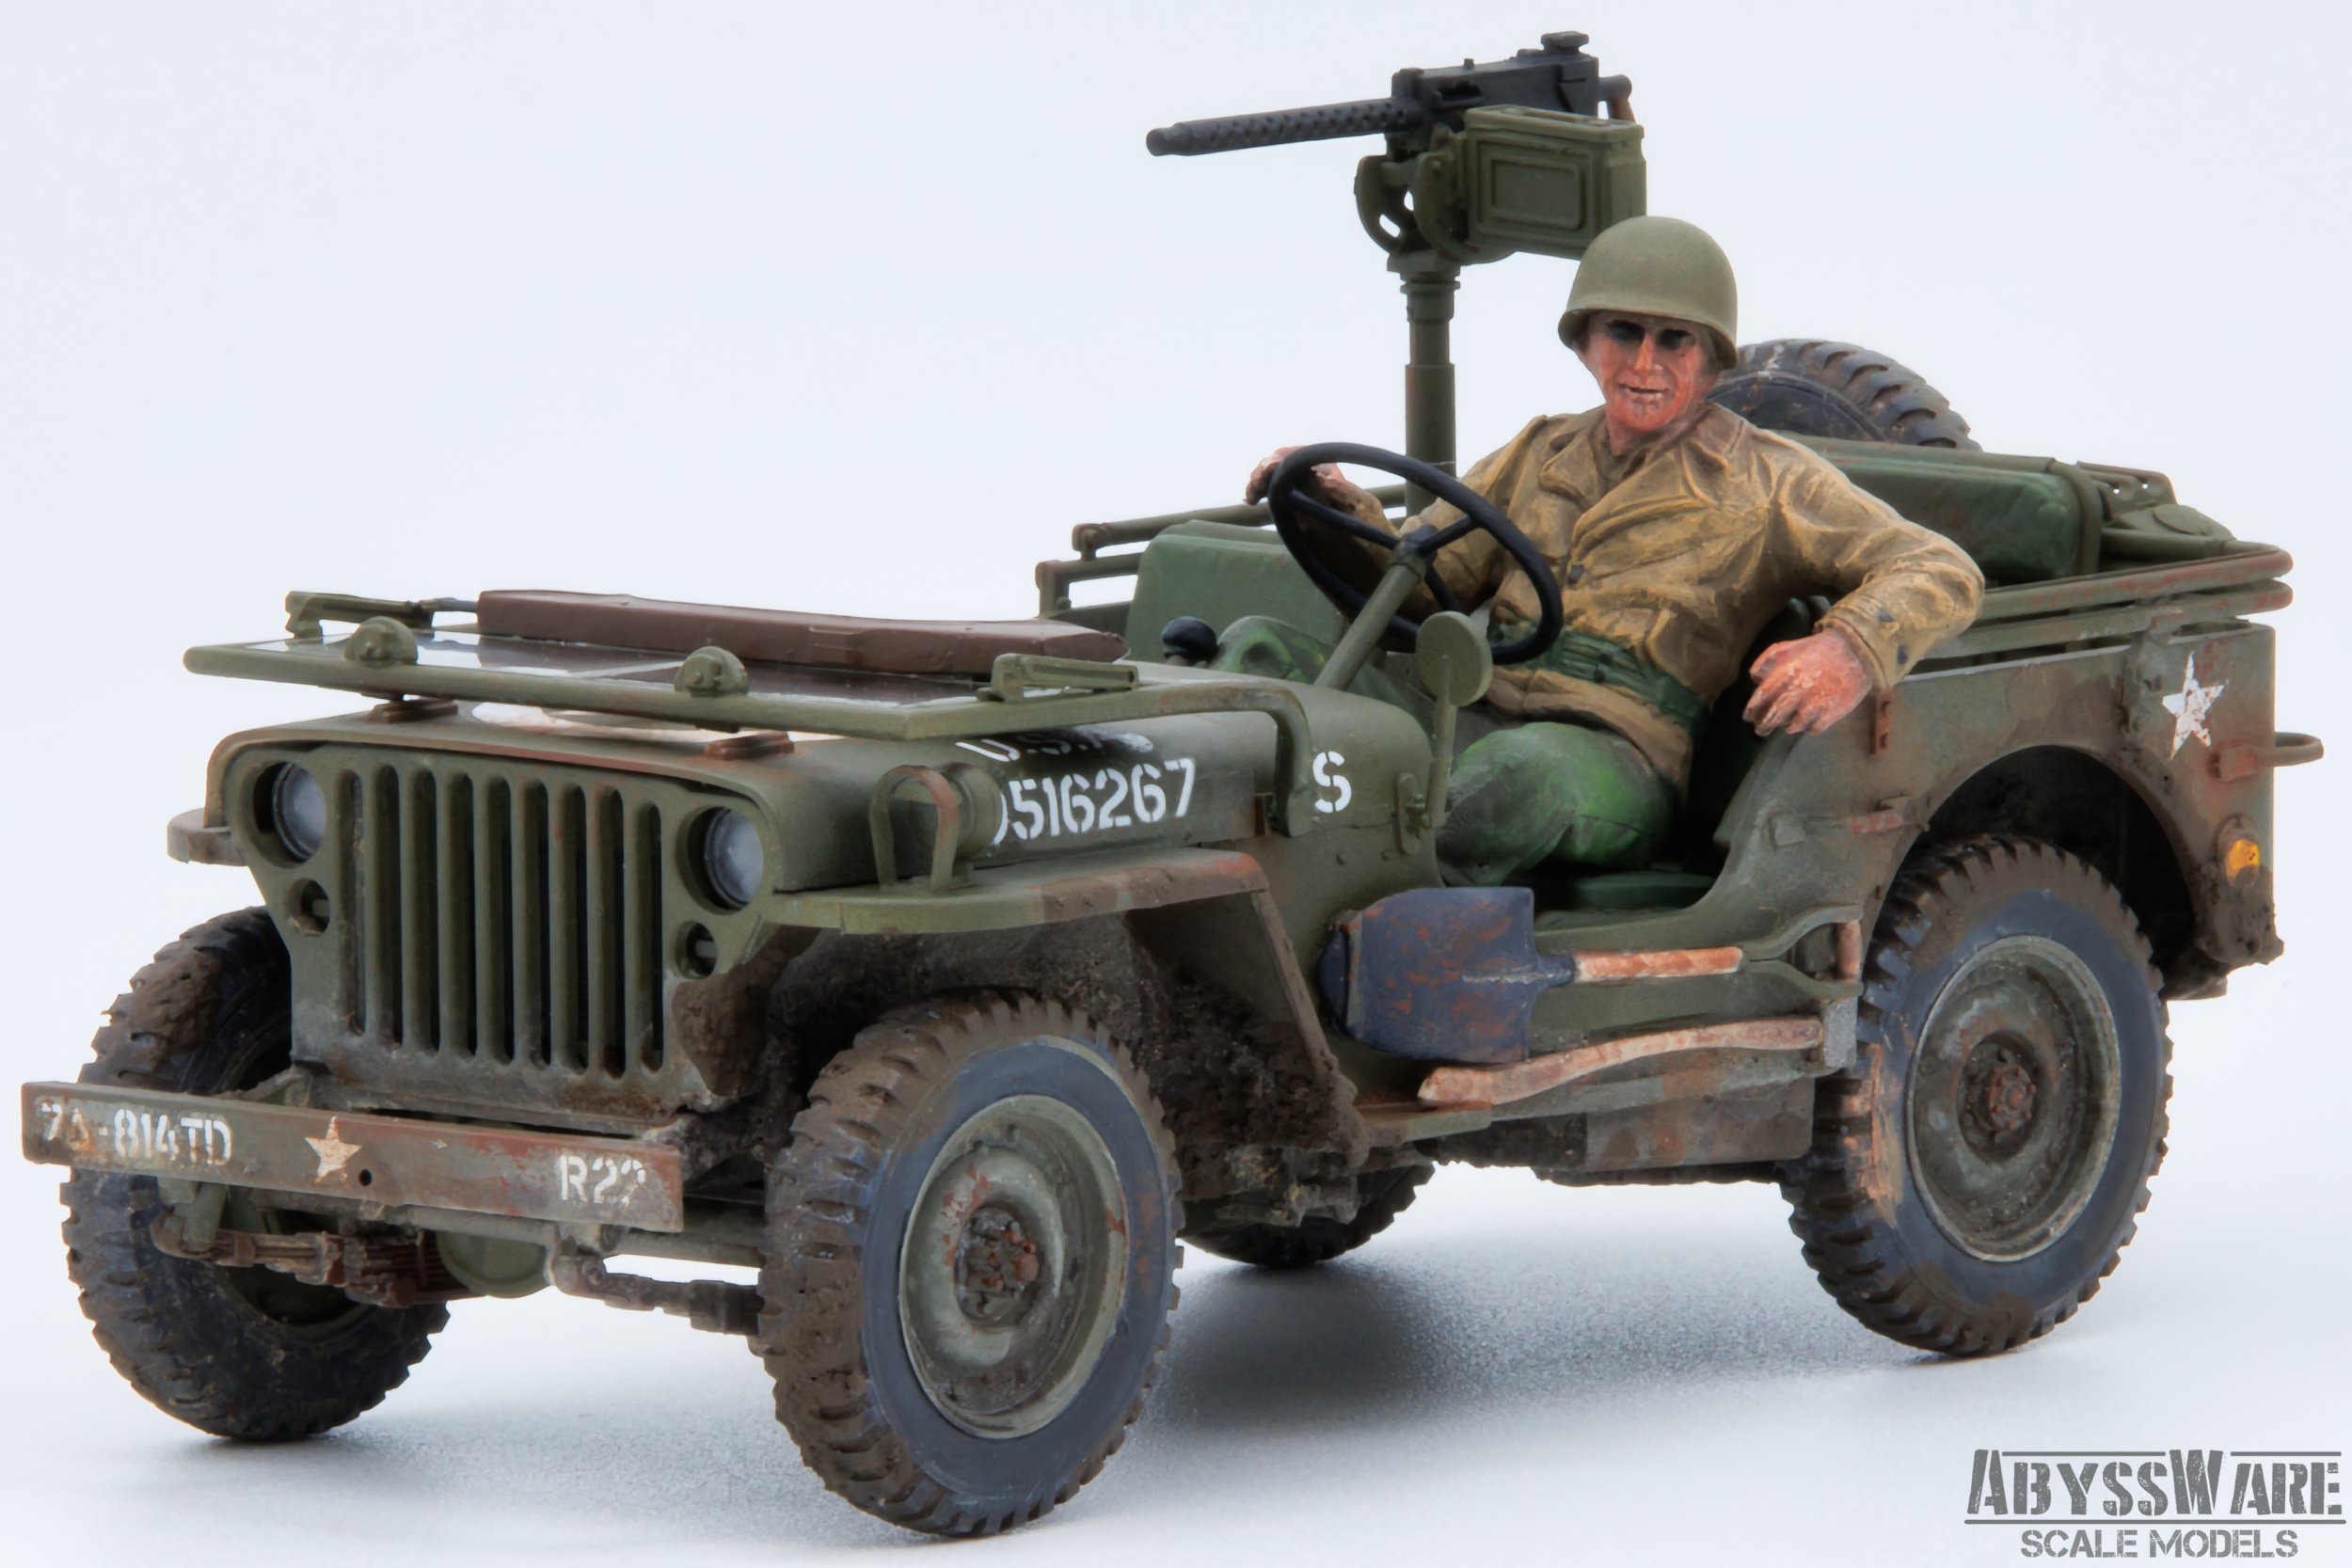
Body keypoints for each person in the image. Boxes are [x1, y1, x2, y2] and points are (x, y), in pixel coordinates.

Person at [1227, 215, 1984, 886]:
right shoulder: (1541, 450)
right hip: (1471, 707)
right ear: (1587, 342)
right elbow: (1425, 591)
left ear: (1713, 360)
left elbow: (1939, 567)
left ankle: (1360, 913)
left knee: (1516, 780)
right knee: (1257, 655)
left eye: (1674, 340)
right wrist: (1338, 508)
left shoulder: (1769, 481)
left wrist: (1850, 649)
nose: (1644, 364)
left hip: (1614, 754)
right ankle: (1225, 876)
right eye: (1623, 332)